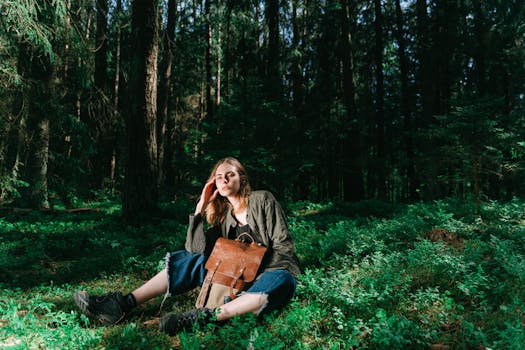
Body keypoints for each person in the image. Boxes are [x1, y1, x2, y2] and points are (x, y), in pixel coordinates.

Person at [74, 157, 301, 335]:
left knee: (280, 279)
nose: (224, 180)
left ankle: (206, 317)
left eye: (230, 175)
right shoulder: (224, 219)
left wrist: (256, 272)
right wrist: (200, 208)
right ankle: (122, 304)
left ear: (241, 179)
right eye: (219, 176)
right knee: (195, 260)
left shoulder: (263, 200)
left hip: (272, 273)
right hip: (238, 278)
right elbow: (194, 250)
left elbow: (282, 245)